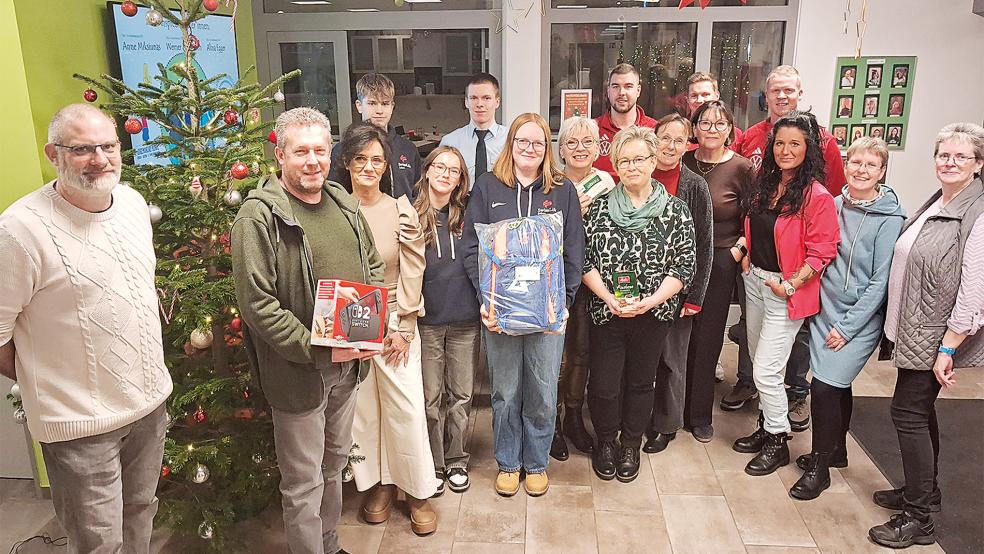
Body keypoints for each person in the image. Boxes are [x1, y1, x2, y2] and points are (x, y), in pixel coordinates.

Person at [0, 104, 172, 554]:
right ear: (52, 154)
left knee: (140, 514)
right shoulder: (20, 230)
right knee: (99, 543)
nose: (99, 159)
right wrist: (51, 380)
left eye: (108, 146)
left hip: (148, 408)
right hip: (80, 426)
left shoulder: (133, 204)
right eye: (81, 149)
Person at [232, 107, 383, 554]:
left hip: (348, 367)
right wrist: (318, 349)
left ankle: (330, 545)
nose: (313, 161)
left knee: (334, 465)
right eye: (301, 152)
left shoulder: (342, 202)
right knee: (302, 481)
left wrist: (369, 329)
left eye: (320, 150)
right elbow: (258, 305)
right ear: (279, 154)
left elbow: (372, 266)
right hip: (299, 372)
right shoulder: (257, 217)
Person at [868, 123, 984, 549]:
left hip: (936, 334)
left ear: (979, 164)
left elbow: (975, 288)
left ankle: (918, 518)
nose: (950, 162)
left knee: (908, 414)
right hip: (917, 328)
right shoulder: (942, 199)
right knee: (919, 412)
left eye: (961, 157)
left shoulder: (977, 212)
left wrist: (949, 346)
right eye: (943, 155)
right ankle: (925, 490)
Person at [461, 113, 585, 497]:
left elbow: (575, 251)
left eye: (537, 143)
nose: (529, 149)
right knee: (506, 391)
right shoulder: (487, 187)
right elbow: (471, 248)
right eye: (522, 141)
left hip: (548, 314)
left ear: (546, 149)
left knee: (544, 392)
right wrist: (487, 300)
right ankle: (509, 463)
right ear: (511, 145)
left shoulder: (561, 191)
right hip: (499, 314)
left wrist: (564, 302)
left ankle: (536, 463)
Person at [727, 65, 845, 428]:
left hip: (786, 289)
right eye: (779, 144)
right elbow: (755, 224)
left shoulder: (816, 194)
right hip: (756, 281)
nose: (785, 150)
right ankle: (767, 428)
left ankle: (777, 437)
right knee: (762, 364)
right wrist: (747, 256)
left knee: (766, 370)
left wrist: (790, 284)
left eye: (795, 144)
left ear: (808, 149)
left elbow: (823, 250)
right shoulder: (766, 185)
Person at [335, 122, 438, 535]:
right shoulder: (333, 208)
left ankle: (416, 490)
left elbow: (414, 268)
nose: (369, 167)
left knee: (406, 407)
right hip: (350, 318)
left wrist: (406, 325)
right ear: (346, 162)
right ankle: (377, 484)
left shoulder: (400, 209)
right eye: (360, 159)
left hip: (395, 317)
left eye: (377, 160)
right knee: (364, 408)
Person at [789, 137, 905, 501]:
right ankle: (835, 450)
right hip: (824, 310)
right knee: (836, 385)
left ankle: (819, 470)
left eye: (871, 165)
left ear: (882, 171)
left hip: (858, 319)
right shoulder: (833, 204)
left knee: (823, 387)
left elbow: (880, 281)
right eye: (855, 163)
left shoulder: (891, 218)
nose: (861, 170)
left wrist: (847, 326)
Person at [583, 124, 696, 482]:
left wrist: (650, 301)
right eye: (624, 160)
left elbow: (684, 265)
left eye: (639, 159)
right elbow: (584, 260)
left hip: (653, 314)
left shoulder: (676, 211)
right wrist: (608, 298)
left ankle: (631, 443)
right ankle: (606, 440)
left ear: (652, 161)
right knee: (603, 384)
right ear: (615, 164)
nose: (632, 166)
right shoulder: (599, 209)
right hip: (607, 313)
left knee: (640, 383)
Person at [681, 101, 757, 443]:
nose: (712, 129)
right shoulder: (682, 161)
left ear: (730, 129)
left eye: (719, 123)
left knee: (708, 337)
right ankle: (670, 406)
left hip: (720, 260)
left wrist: (738, 250)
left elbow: (753, 217)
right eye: (705, 123)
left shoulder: (741, 168)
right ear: (694, 128)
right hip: (678, 259)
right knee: (677, 337)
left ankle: (698, 414)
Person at [643, 114, 712, 454]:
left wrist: (695, 295)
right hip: (639, 289)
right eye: (664, 138)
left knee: (672, 361)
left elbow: (705, 242)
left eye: (678, 140)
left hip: (677, 289)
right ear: (652, 140)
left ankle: (666, 424)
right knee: (644, 358)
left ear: (688, 145)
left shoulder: (694, 185)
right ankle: (640, 417)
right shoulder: (639, 173)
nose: (670, 146)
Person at [413, 146, 481, 495]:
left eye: (453, 170)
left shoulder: (468, 214)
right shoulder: (409, 214)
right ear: (426, 170)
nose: (445, 174)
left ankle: (456, 461)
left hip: (465, 320)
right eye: (439, 166)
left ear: (460, 180)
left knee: (461, 395)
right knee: (430, 397)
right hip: (427, 321)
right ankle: (434, 463)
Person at [550, 116, 616, 461]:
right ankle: (554, 423)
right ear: (560, 150)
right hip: (556, 279)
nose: (579, 148)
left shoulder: (606, 182)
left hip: (595, 280)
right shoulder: (550, 183)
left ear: (597, 147)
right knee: (556, 356)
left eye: (587, 142)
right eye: (571, 143)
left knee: (582, 352)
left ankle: (575, 416)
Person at [329, 73, 420, 200]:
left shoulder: (408, 149)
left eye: (385, 103)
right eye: (372, 103)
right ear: (359, 106)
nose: (379, 110)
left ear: (392, 106)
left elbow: (418, 194)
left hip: (401, 218)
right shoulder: (342, 150)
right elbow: (334, 195)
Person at [439, 73, 508, 182]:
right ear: (466, 102)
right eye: (474, 98)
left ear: (497, 102)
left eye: (486, 98)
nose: (479, 104)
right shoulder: (450, 142)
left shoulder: (511, 140)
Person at [594, 63, 658, 181]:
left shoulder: (654, 130)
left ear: (638, 90)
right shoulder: (593, 129)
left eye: (628, 86)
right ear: (608, 91)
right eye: (615, 86)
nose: (621, 92)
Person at [685, 72, 744, 149]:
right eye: (694, 96)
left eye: (705, 94)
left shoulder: (735, 135)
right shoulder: (679, 132)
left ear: (717, 96)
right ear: (687, 100)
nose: (699, 100)